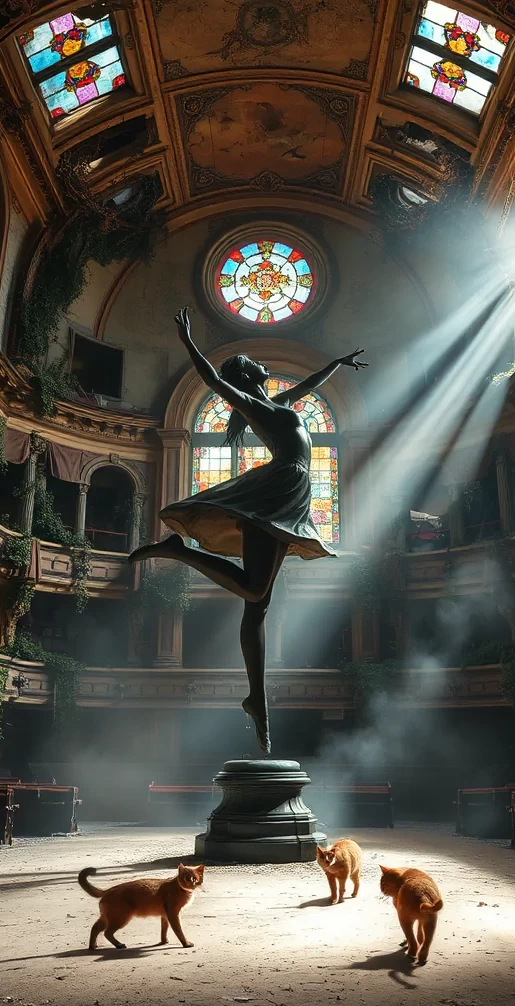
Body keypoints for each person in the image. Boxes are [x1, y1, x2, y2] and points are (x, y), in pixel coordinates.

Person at [129, 307, 368, 753]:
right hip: (276, 489)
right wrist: (188, 343)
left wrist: (337, 364)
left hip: (291, 490)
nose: (260, 362)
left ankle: (256, 698)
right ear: (247, 377)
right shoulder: (253, 403)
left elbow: (310, 385)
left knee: (257, 607)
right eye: (251, 363)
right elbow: (215, 384)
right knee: (255, 593)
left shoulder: (278, 403)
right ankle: (177, 550)